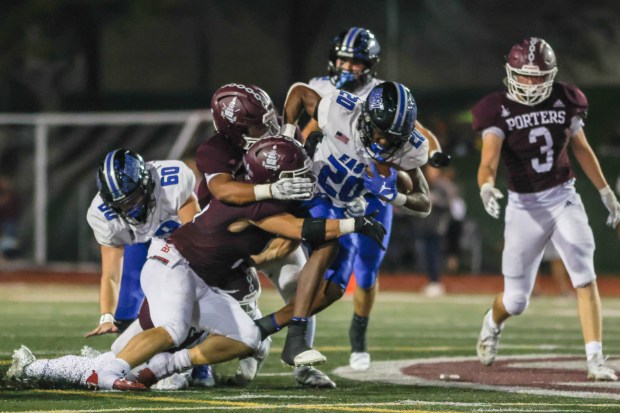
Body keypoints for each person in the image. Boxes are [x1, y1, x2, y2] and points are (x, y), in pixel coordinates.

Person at [85, 136, 386, 390]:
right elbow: (296, 229)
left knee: (254, 330)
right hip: (180, 261)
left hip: (212, 261)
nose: (301, 180)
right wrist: (352, 224)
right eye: (293, 174)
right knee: (168, 327)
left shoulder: (194, 183)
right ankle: (110, 369)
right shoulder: (248, 201)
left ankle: (167, 365)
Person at [254, 81, 432, 369]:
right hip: (308, 191)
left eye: (393, 138)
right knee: (326, 244)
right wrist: (288, 134)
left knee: (335, 289)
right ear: (365, 118)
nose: (384, 143)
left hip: (343, 207)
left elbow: (424, 202)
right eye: (379, 132)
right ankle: (295, 337)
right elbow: (300, 92)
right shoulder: (340, 111)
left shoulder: (410, 148)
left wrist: (394, 196)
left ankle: (262, 327)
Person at [472, 37, 620, 381]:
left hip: (563, 195)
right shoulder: (498, 108)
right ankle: (492, 322)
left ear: (551, 75)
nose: (531, 83)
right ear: (511, 74)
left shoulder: (565, 99)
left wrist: (605, 192)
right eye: (524, 76)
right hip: (524, 206)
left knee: (584, 271)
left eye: (539, 77)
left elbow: (581, 149)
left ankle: (595, 359)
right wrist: (485, 185)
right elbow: (489, 160)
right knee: (517, 301)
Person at [303, 27, 449, 371]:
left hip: (371, 191)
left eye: (354, 61)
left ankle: (358, 334)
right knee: (305, 261)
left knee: (366, 271)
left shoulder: (379, 94)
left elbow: (419, 131)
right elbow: (303, 118)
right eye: (342, 59)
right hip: (327, 187)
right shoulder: (321, 87)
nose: (346, 66)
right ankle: (297, 332)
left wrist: (436, 152)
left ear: (368, 65)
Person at [195, 83, 335, 388]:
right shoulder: (215, 150)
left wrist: (293, 234)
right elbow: (223, 191)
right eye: (257, 124)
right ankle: (200, 362)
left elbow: (303, 198)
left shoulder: (284, 140)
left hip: (276, 232)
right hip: (227, 240)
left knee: (301, 290)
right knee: (204, 301)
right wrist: (269, 189)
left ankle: (302, 363)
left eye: (268, 119)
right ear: (231, 128)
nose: (267, 127)